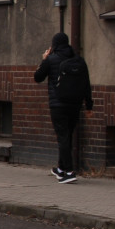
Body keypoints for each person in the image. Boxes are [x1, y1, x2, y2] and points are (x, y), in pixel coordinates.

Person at [34, 31, 93, 184]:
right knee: (67, 136)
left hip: (58, 105)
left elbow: (37, 77)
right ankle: (60, 168)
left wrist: (44, 60)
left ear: (54, 45)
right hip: (75, 105)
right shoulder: (79, 61)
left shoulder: (51, 59)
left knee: (63, 137)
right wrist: (89, 105)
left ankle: (69, 171)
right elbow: (86, 83)